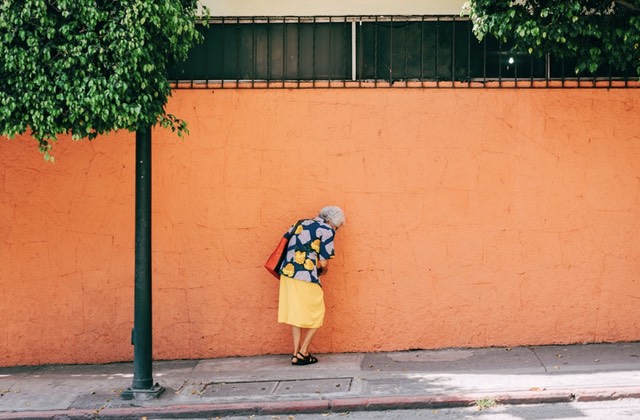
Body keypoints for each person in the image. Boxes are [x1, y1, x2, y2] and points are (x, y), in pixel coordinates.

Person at [278, 206, 345, 366]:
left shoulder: (300, 223)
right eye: (337, 227)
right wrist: (324, 271)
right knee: (317, 312)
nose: (336, 229)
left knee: (297, 312)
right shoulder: (327, 229)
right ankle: (303, 352)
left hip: (288, 273)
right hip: (305, 275)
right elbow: (324, 261)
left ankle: (295, 354)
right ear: (332, 221)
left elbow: (287, 241)